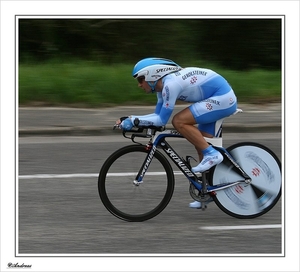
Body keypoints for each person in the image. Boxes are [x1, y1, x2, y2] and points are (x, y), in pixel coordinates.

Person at [116, 57, 237, 209]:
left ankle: (213, 155)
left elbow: (161, 120)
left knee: (179, 121)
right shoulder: (162, 88)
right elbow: (156, 117)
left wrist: (133, 120)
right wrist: (131, 119)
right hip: (214, 98)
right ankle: (207, 192)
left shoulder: (170, 85)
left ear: (152, 76)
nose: (139, 85)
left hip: (223, 98)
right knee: (201, 143)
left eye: (141, 80)